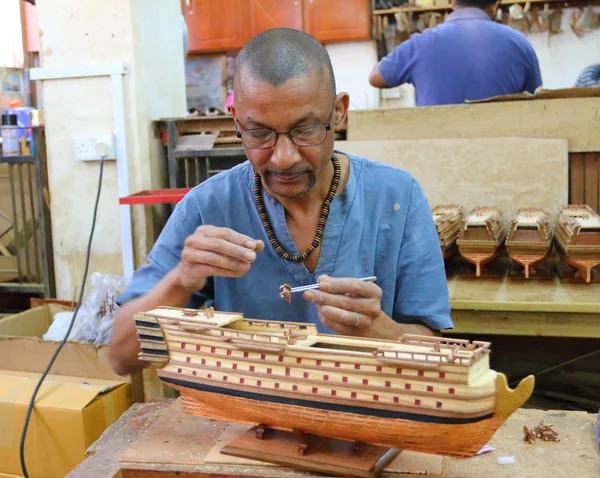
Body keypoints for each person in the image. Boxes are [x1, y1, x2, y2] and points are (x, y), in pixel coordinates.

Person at [108, 28, 452, 376]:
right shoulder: (208, 206)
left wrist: (384, 332)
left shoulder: (396, 197)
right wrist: (181, 280)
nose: (283, 158)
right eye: (259, 134)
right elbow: (121, 356)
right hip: (249, 424)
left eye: (305, 131)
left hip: (365, 420)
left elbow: (437, 352)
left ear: (339, 113)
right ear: (237, 123)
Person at [369, 0, 543, 106]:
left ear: (452, 2)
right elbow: (538, 102)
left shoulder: (421, 43)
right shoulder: (520, 45)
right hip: (504, 158)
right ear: (494, 5)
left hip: (436, 157)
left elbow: (375, 77)